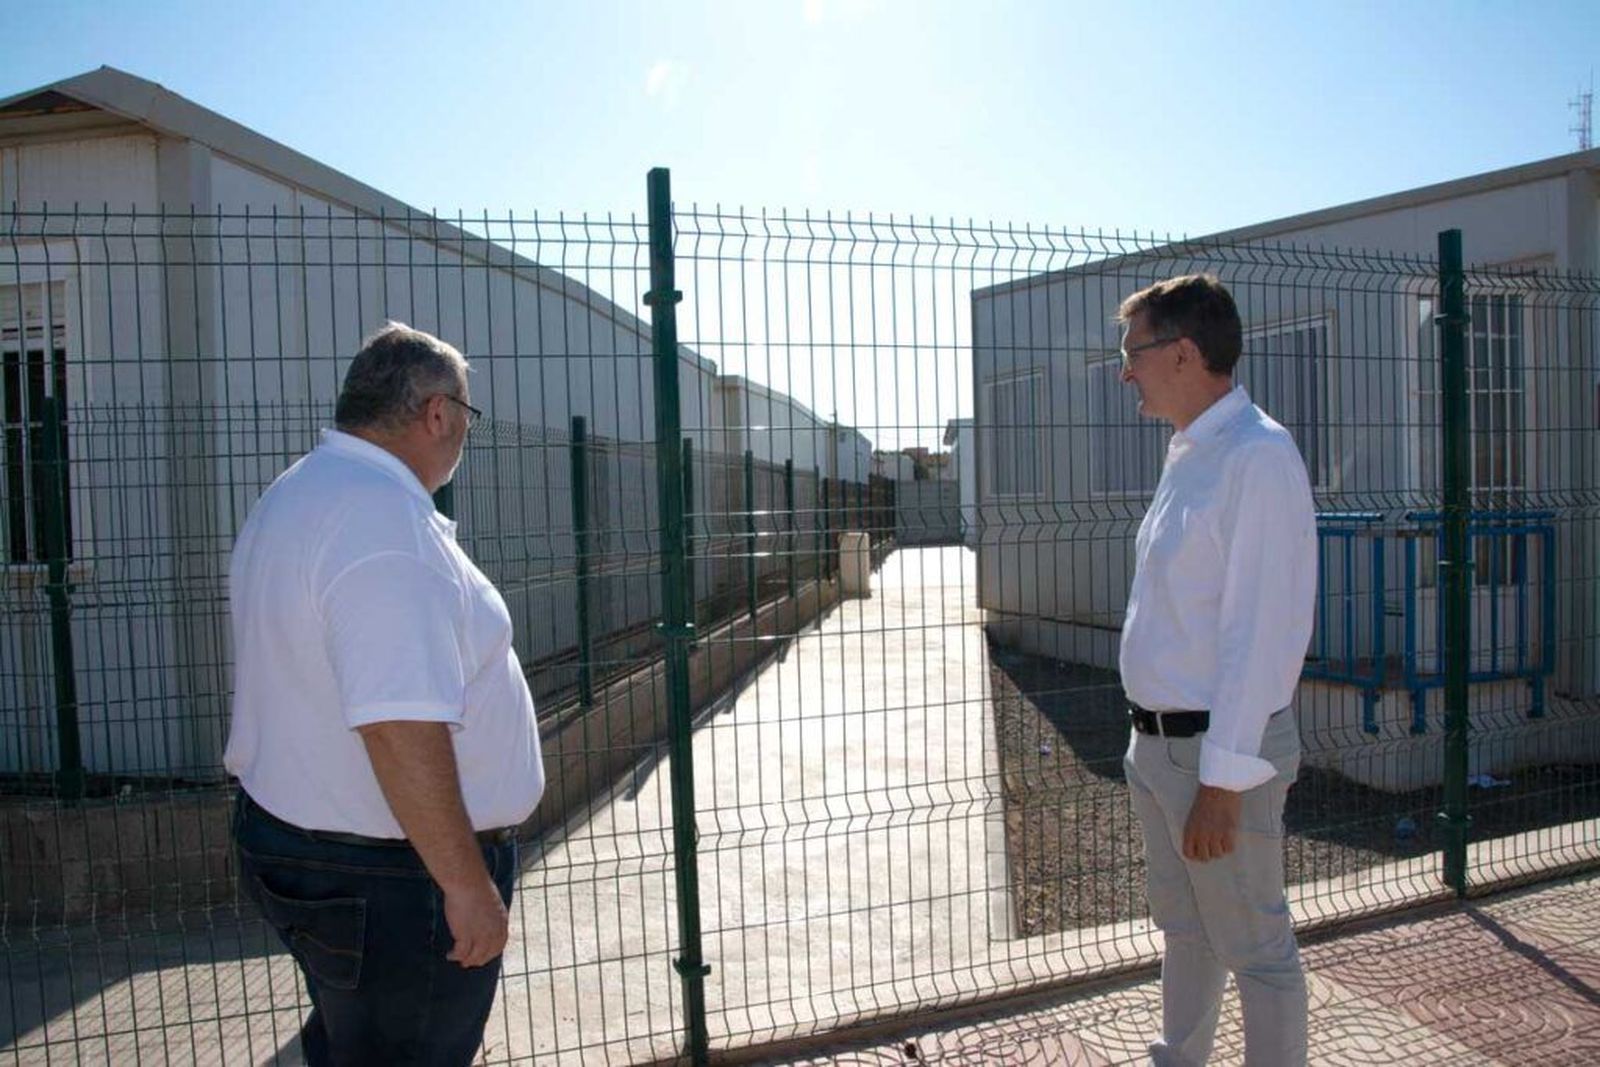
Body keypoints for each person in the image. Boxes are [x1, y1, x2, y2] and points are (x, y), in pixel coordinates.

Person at [226, 322, 545, 1066]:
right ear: (438, 413)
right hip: (393, 881)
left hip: (317, 851)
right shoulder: (381, 523)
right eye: (468, 416)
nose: (466, 432)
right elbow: (398, 723)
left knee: (354, 1041)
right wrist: (465, 885)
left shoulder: (303, 490)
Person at [1116, 275, 1317, 1066]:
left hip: (1217, 755)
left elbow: (1262, 634)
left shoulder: (1257, 457)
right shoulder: (1195, 453)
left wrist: (1224, 784)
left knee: (1258, 954)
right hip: (1160, 749)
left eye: (1133, 353)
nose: (1126, 370)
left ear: (1184, 352)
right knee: (1188, 932)